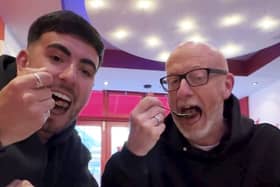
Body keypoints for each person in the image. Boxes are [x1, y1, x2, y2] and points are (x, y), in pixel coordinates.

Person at [102, 42, 280, 187]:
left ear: (227, 85)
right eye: (173, 81)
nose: (181, 91)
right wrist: (132, 154)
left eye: (198, 77)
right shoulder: (149, 152)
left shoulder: (269, 145)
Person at [0, 10, 104, 187]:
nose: (70, 77)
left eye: (85, 71)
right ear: (24, 62)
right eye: (56, 58)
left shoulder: (73, 148)